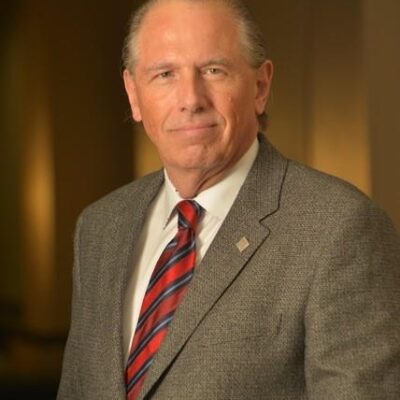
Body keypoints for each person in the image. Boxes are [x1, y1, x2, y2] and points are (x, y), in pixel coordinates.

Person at [57, 0, 400, 399]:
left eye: (213, 70)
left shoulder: (338, 227)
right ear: (134, 94)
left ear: (260, 87)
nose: (191, 99)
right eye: (165, 74)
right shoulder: (100, 228)